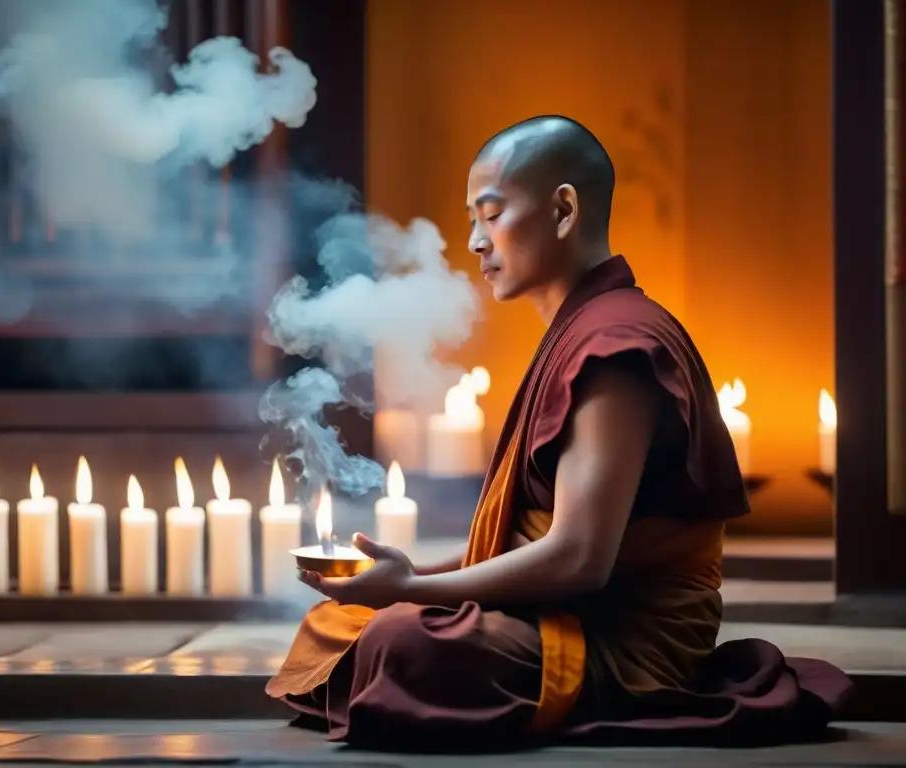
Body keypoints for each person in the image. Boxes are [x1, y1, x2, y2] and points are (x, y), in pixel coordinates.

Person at [265, 115, 851, 748]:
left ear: (564, 209)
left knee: (401, 643)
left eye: (490, 215)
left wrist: (412, 591)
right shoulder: (579, 332)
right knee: (342, 620)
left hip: (616, 634)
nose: (475, 242)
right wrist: (409, 575)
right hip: (552, 614)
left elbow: (579, 559)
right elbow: (527, 540)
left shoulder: (617, 346)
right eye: (470, 221)